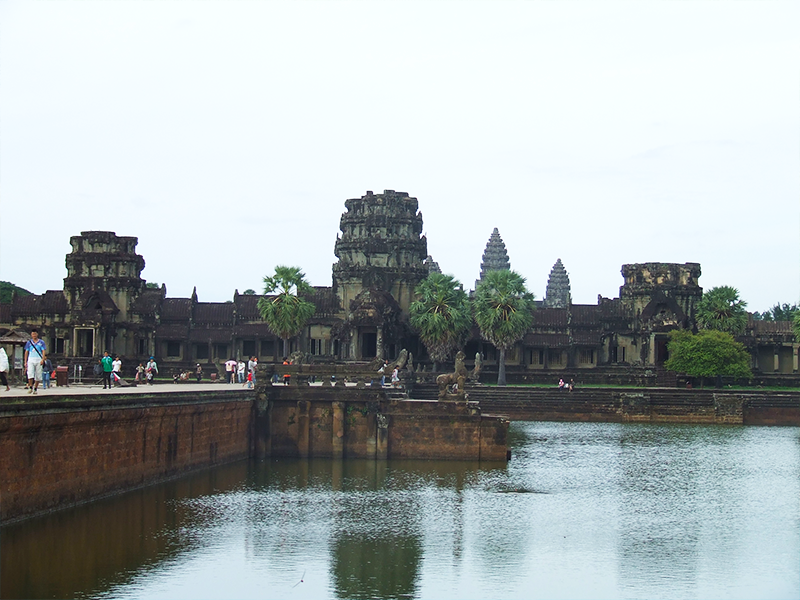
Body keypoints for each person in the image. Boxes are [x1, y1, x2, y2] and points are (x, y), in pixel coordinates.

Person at [24, 329, 46, 394]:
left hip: (38, 359)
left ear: (37, 334)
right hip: (31, 359)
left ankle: (35, 388)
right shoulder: (29, 343)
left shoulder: (41, 342)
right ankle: (31, 386)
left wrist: (42, 359)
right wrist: (25, 361)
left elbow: (43, 351)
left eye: (35, 334)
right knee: (30, 373)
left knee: (38, 375)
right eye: (33, 334)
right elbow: (26, 352)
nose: (34, 335)